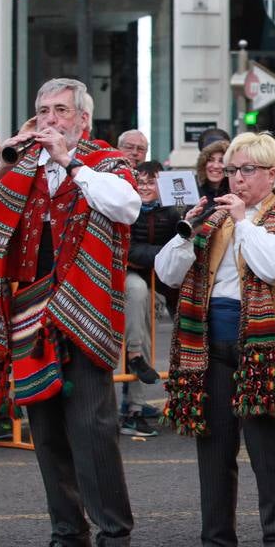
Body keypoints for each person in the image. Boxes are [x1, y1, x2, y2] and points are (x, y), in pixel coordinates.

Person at [0, 77, 141, 547]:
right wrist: (3, 161)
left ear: (82, 120)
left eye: (60, 111)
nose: (50, 119)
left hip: (85, 317)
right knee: (47, 434)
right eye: (43, 111)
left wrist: (70, 162)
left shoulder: (105, 163)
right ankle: (69, 537)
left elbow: (126, 207)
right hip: (30, 317)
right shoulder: (17, 168)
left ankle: (114, 540)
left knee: (93, 430)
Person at [155, 132, 275, 547]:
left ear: (270, 175)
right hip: (210, 344)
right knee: (214, 450)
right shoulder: (215, 216)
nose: (236, 180)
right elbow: (167, 273)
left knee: (267, 452)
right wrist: (187, 232)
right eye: (230, 170)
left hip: (261, 345)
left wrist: (243, 222)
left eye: (246, 171)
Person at [121, 161, 179, 436]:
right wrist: (166, 254)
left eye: (150, 182)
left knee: (192, 321)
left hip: (163, 277)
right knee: (138, 297)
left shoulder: (172, 210)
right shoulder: (124, 207)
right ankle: (134, 407)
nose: (144, 187)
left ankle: (187, 395)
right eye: (140, 182)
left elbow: (183, 243)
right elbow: (128, 250)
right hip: (131, 276)